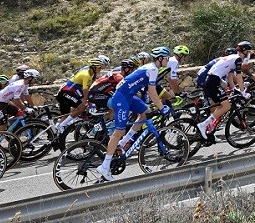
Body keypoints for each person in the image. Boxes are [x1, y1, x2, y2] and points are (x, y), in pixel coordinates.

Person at [97, 47, 172, 181]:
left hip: (128, 95)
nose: (168, 60)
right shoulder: (153, 69)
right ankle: (105, 166)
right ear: (160, 58)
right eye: (167, 58)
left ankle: (123, 143)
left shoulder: (150, 67)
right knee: (119, 132)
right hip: (122, 97)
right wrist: (162, 108)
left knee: (145, 112)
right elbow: (152, 93)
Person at [197, 41, 254, 140]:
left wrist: (234, 88)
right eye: (248, 51)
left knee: (221, 105)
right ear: (244, 51)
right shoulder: (238, 59)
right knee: (226, 106)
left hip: (213, 79)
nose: (249, 53)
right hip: (213, 81)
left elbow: (230, 76)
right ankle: (203, 125)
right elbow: (239, 76)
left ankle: (210, 131)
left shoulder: (232, 57)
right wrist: (243, 92)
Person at [53, 57, 106, 135]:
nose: (100, 69)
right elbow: (85, 89)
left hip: (69, 92)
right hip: (65, 92)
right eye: (99, 68)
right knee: (82, 107)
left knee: (67, 114)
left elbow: (89, 87)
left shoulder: (91, 74)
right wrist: (86, 100)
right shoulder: (86, 74)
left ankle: (58, 130)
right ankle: (63, 124)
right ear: (94, 67)